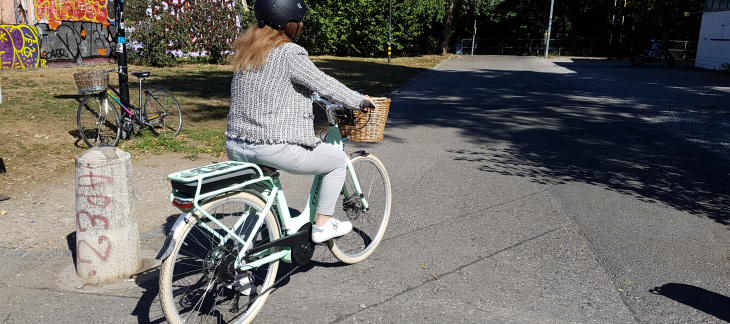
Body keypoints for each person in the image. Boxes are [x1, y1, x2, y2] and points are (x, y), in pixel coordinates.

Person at [225, 0, 376, 245]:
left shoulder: (248, 51)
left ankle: (238, 268)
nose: (302, 25)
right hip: (274, 147)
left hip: (236, 145)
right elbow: (325, 84)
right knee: (338, 161)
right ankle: (323, 226)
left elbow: (271, 88)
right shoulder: (289, 53)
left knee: (256, 201)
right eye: (299, 20)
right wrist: (359, 100)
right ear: (287, 22)